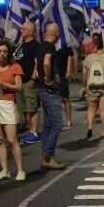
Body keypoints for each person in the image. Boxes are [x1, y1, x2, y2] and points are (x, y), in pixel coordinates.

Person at [0, 40, 26, 181]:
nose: (2, 54)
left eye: (5, 51)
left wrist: (4, 84)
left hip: (7, 104)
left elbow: (19, 87)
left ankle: (20, 170)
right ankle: (5, 170)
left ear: (8, 53)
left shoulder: (15, 67)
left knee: (12, 139)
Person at [37, 23, 66, 170]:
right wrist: (49, 80)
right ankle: (48, 156)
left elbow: (38, 66)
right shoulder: (50, 47)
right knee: (56, 124)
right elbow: (46, 63)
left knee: (48, 125)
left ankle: (45, 157)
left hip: (41, 89)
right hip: (49, 90)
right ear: (56, 33)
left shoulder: (41, 46)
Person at [83, 35, 104, 139]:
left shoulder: (88, 58)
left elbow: (84, 74)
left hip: (92, 86)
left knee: (91, 108)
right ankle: (103, 131)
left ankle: (89, 128)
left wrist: (84, 86)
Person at [14, 20, 40, 144]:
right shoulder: (21, 45)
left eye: (23, 29)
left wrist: (33, 79)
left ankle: (34, 132)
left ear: (30, 31)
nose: (21, 30)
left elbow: (37, 63)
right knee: (24, 109)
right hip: (19, 82)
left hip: (29, 82)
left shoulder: (35, 46)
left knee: (31, 108)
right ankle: (30, 131)